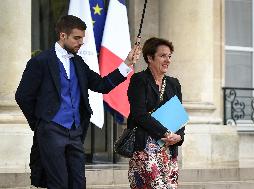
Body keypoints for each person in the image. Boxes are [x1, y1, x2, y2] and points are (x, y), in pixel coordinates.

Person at [15, 15, 140, 189]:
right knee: (58, 183)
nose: (81, 42)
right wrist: (42, 123)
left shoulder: (79, 62)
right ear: (63, 36)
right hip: (51, 130)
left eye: (82, 38)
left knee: (78, 183)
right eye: (76, 38)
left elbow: (102, 85)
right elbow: (23, 96)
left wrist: (127, 63)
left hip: (75, 132)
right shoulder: (40, 61)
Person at [127, 37, 185, 188]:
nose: (167, 60)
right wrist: (165, 132)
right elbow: (139, 114)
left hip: (169, 150)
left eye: (169, 56)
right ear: (150, 58)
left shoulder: (174, 83)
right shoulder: (139, 80)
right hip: (145, 148)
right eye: (162, 56)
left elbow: (179, 116)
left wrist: (179, 136)